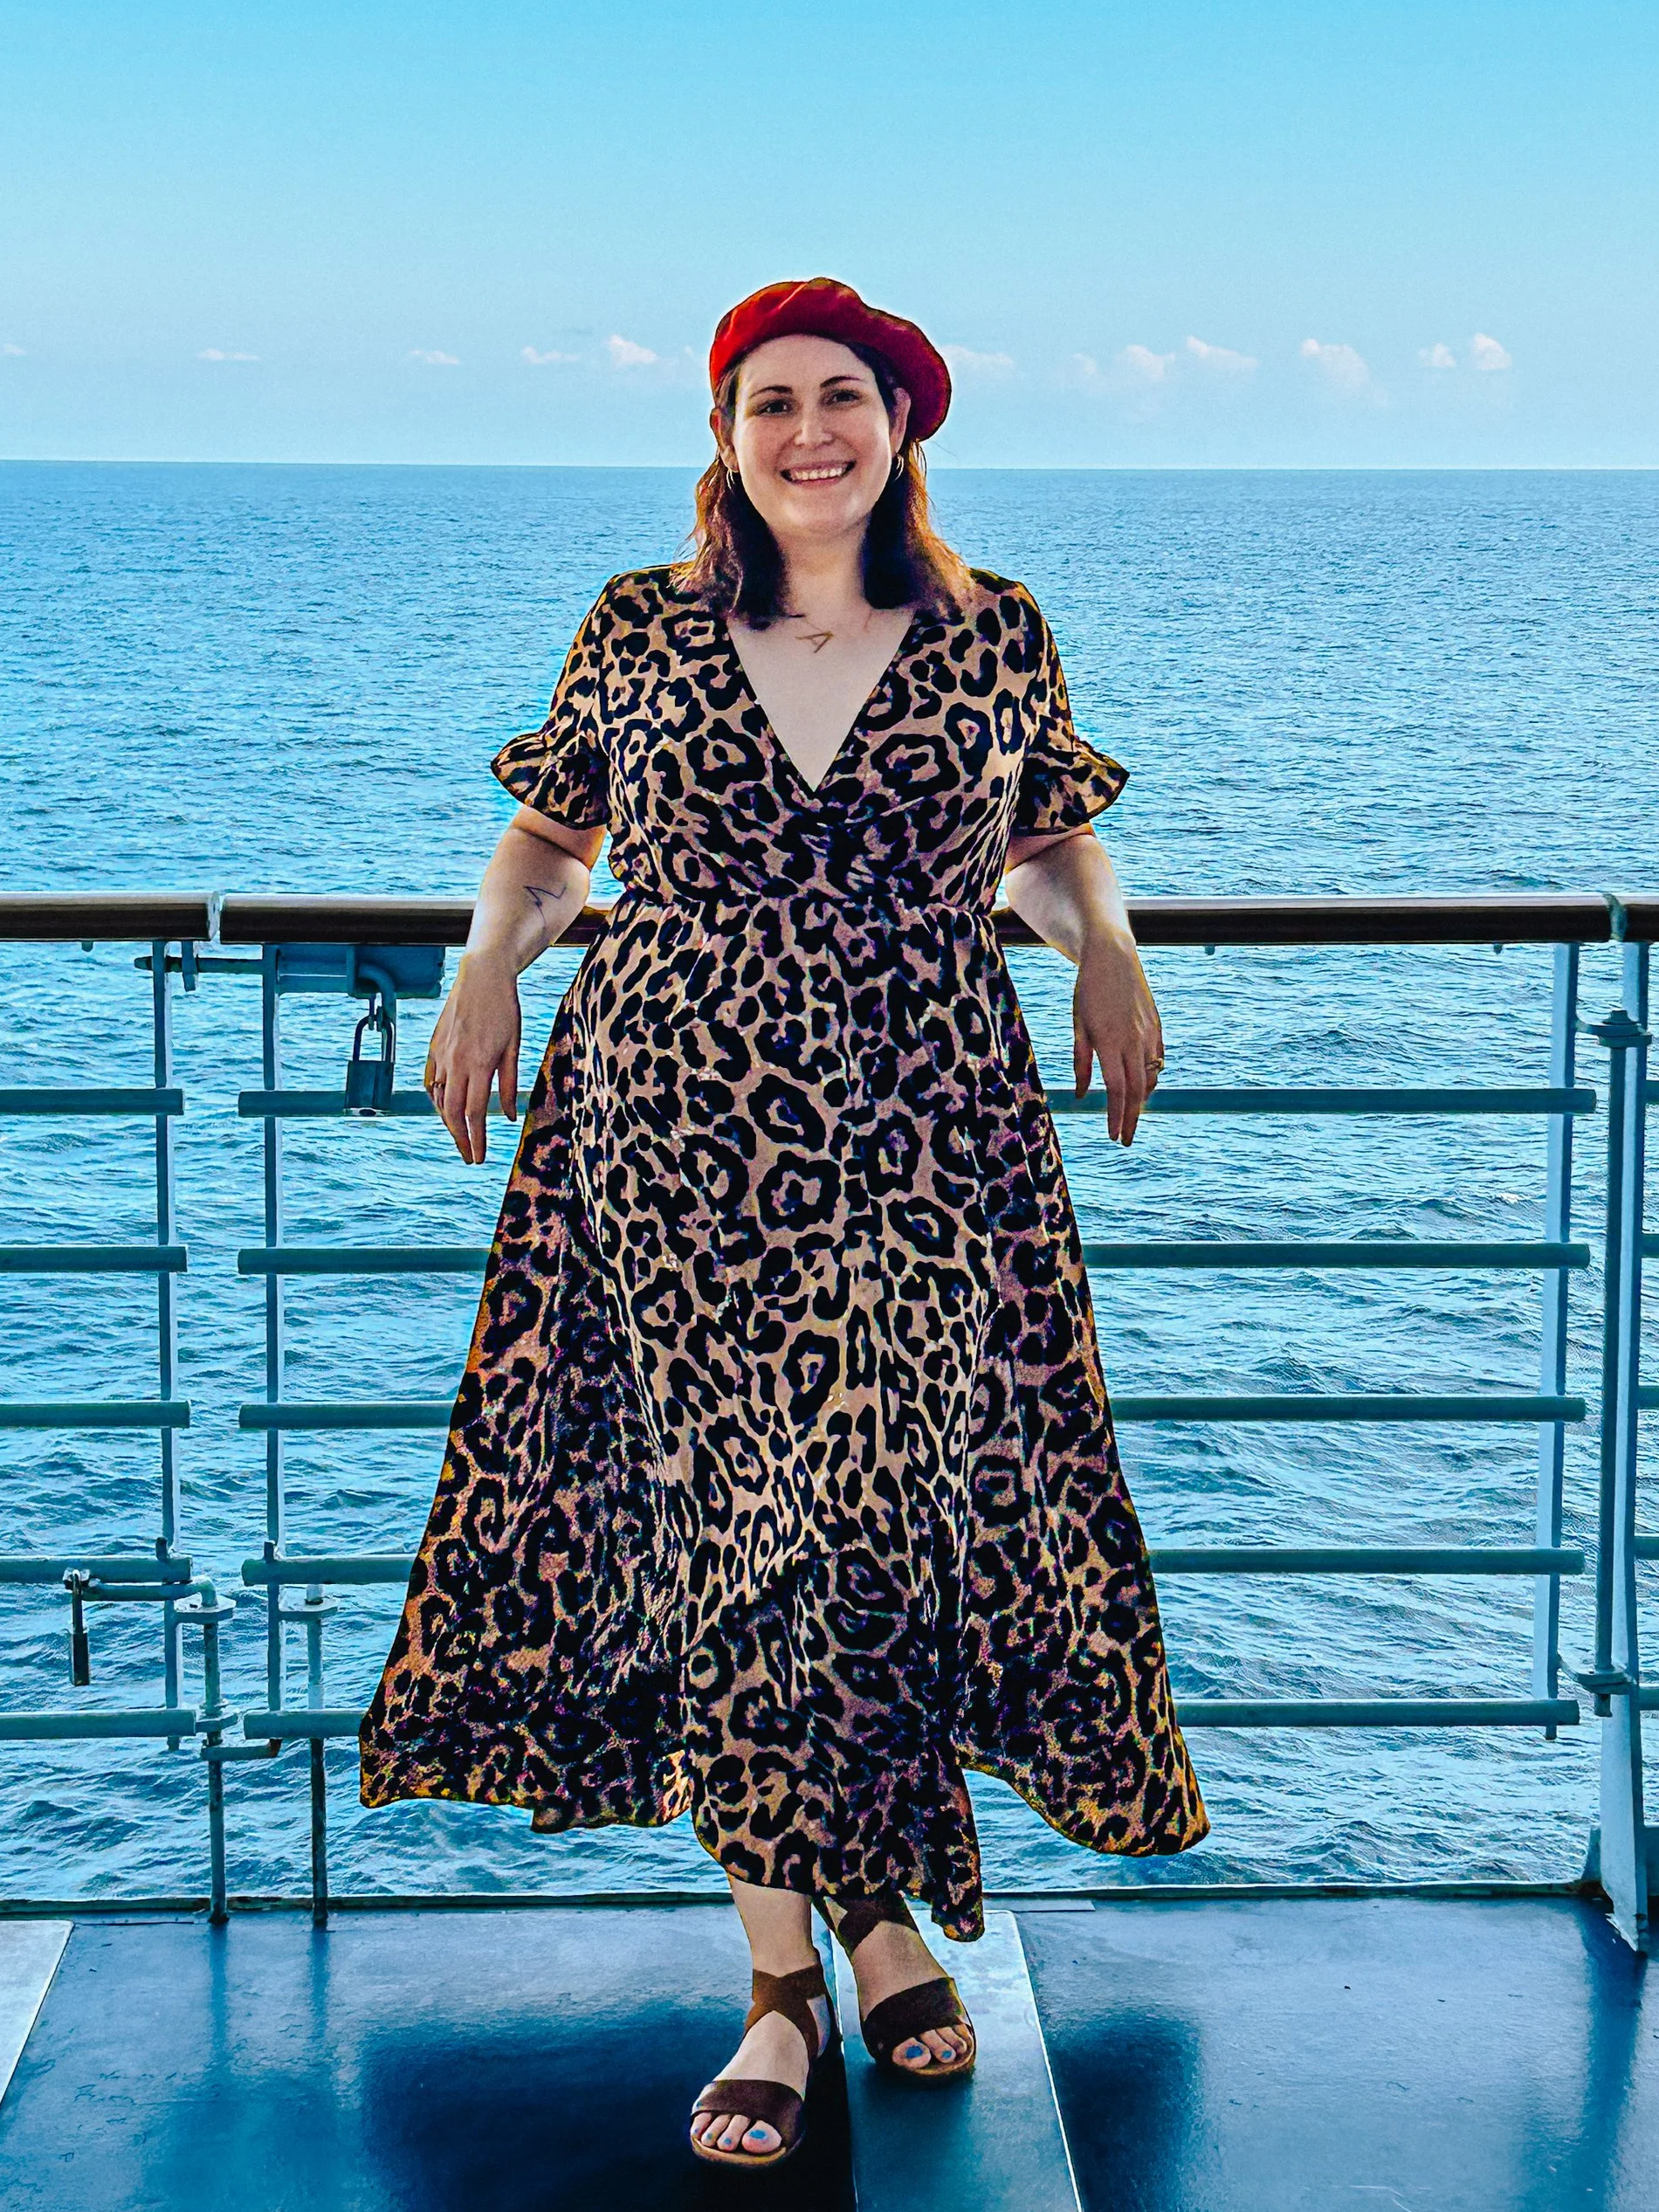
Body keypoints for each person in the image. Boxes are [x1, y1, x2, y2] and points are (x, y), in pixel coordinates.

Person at [359, 277, 1208, 2169]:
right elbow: (548, 836)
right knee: (729, 1541)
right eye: (766, 404)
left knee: (883, 1535)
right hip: (668, 1144)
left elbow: (1048, 835)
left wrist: (1111, 951)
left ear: (902, 424)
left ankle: (881, 1915)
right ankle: (787, 1978)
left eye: (840, 397)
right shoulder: (639, 627)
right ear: (722, 436)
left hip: (928, 1153)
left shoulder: (992, 637)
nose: (804, 431)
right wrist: (483, 969)